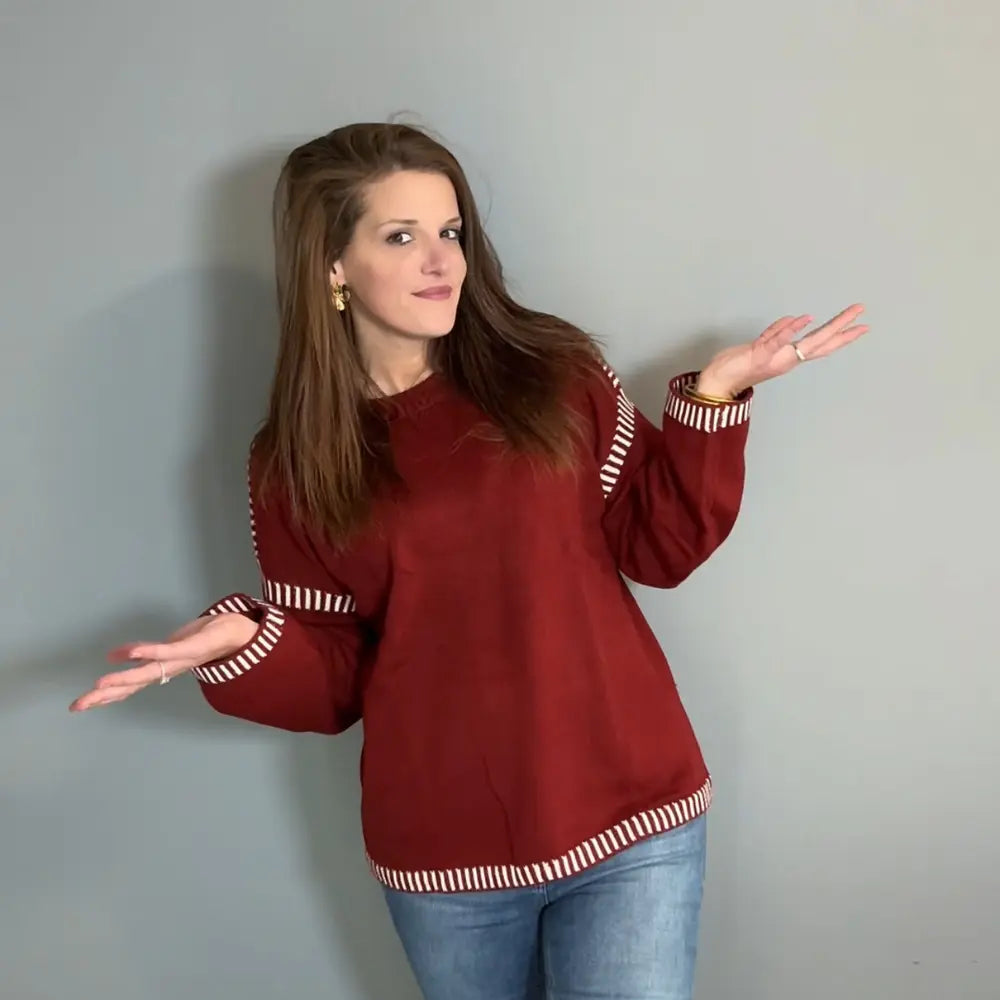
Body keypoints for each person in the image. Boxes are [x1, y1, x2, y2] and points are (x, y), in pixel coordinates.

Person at [70, 122, 868, 1000]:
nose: (439, 261)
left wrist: (715, 396)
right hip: (448, 861)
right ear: (331, 266)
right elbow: (338, 679)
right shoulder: (292, 463)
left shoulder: (552, 373)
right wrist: (243, 642)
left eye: (450, 232)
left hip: (634, 814)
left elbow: (659, 544)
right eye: (399, 236)